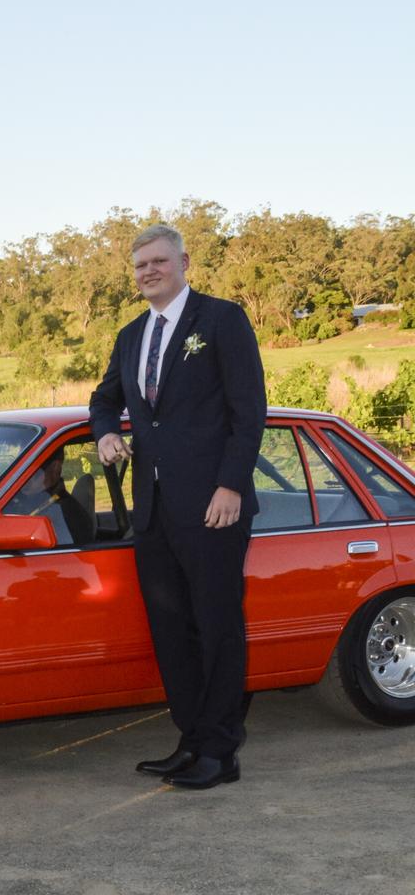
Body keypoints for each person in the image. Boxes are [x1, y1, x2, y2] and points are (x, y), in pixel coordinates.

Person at [89, 223, 266, 790]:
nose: (148, 272)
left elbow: (249, 411)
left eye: (159, 262)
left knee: (217, 627)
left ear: (183, 262)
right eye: (140, 265)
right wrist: (104, 434)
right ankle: (191, 740)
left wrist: (231, 486)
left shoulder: (221, 320)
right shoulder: (131, 335)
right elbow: (103, 398)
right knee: (171, 630)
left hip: (213, 506)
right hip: (154, 509)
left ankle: (221, 750)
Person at [8, 447, 96, 546]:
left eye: (32, 470)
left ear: (55, 468)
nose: (23, 478)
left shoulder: (62, 512)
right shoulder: (27, 500)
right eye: (21, 470)